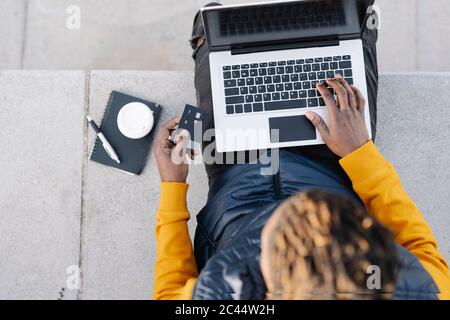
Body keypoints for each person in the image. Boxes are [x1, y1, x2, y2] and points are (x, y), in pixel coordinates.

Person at [152, 3, 450, 300]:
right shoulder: (410, 289)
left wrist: (172, 187)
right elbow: (420, 250)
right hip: (336, 162)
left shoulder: (222, 293)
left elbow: (169, 295)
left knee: (213, 26)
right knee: (347, 22)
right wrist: (360, 152)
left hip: (234, 171)